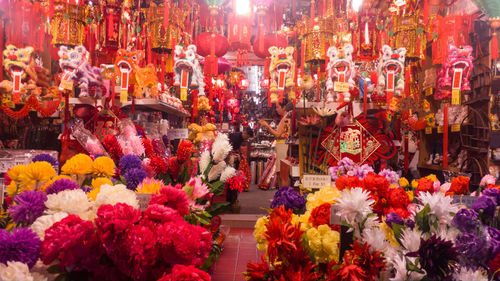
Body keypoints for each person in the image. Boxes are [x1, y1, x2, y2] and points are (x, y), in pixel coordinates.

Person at [258, 100, 293, 187]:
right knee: (280, 173)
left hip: (282, 146)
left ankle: (283, 196)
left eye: (277, 107)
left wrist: (267, 126)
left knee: (282, 173)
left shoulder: (286, 118)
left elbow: (278, 135)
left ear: (284, 107)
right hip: (282, 146)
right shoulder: (286, 118)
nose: (276, 109)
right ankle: (282, 195)